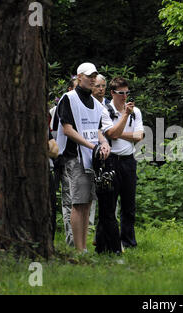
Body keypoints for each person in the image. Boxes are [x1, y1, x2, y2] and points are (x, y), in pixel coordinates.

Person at [56, 62, 110, 252]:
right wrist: (92, 145)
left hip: (92, 159)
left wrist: (103, 144)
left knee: (87, 203)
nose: (93, 79)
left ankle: (84, 247)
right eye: (89, 76)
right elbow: (67, 129)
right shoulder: (68, 98)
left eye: (95, 76)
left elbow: (97, 130)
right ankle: (79, 250)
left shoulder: (96, 104)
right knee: (78, 203)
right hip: (74, 157)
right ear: (79, 77)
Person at [101, 77, 144, 249]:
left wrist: (120, 132)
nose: (125, 97)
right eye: (121, 93)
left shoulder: (136, 111)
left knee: (129, 205)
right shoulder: (105, 110)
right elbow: (111, 133)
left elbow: (139, 136)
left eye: (127, 93)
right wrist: (125, 117)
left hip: (128, 160)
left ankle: (128, 241)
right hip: (111, 160)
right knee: (109, 204)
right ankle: (108, 241)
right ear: (112, 93)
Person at [50, 76, 79, 246]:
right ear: (69, 90)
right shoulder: (57, 109)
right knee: (59, 200)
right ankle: (61, 240)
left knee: (72, 201)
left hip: (73, 159)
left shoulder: (82, 109)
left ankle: (73, 240)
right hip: (59, 159)